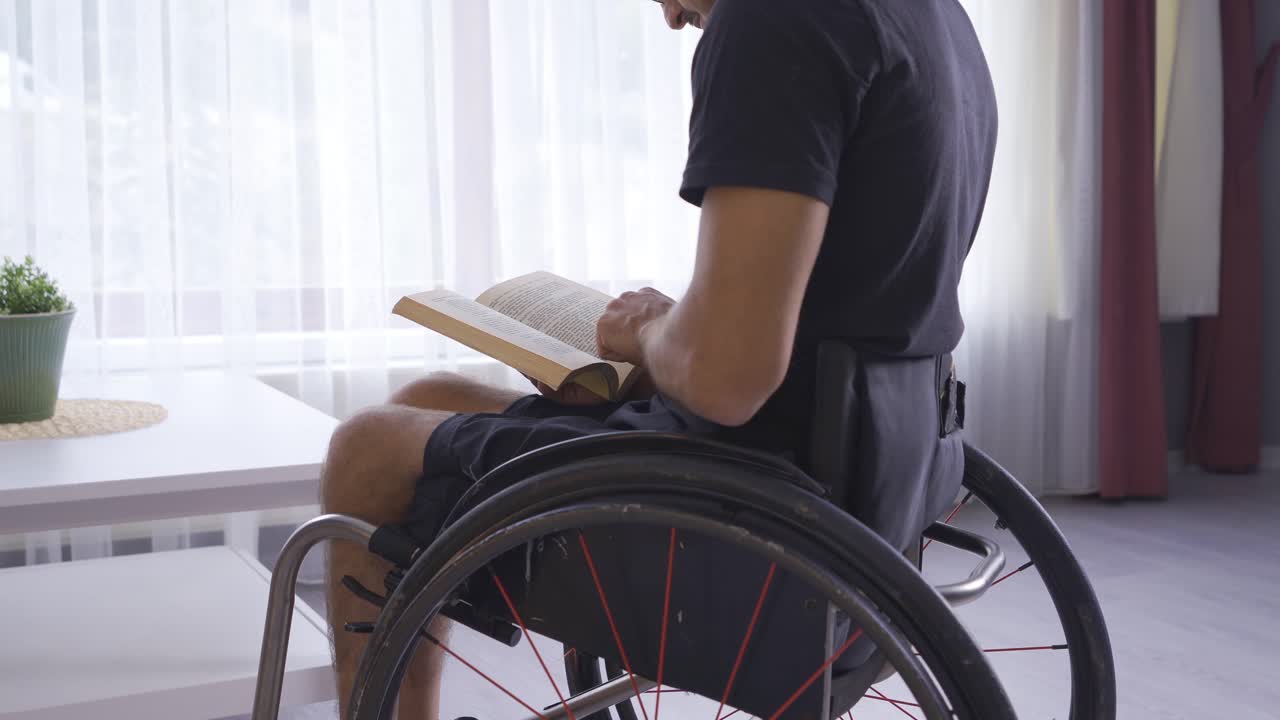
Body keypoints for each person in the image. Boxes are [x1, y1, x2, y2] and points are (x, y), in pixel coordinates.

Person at [321, 0, 997, 717]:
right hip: (875, 469)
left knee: (366, 448)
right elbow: (833, 316)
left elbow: (726, 378)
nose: (672, 15)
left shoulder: (773, 20)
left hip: (755, 497)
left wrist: (649, 333)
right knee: (429, 394)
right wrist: (656, 355)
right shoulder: (938, 18)